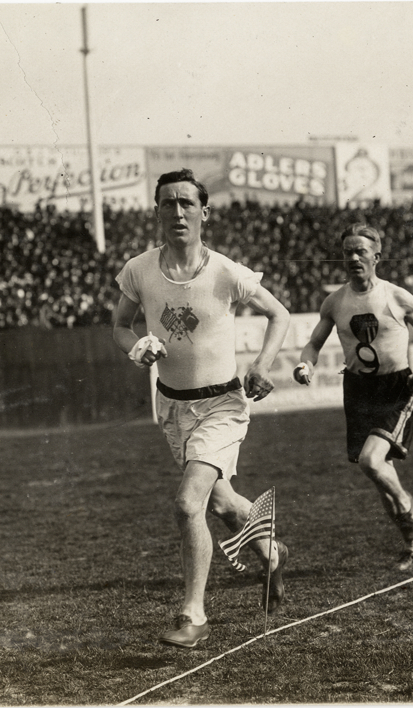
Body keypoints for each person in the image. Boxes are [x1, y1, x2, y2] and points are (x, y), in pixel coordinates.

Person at [113, 168, 291, 648]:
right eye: (167, 203)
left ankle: (193, 615)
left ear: (204, 212)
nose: (177, 211)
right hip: (172, 408)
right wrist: (136, 347)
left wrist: (261, 365)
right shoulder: (139, 270)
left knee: (188, 502)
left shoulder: (226, 272)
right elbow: (120, 326)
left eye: (186, 203)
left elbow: (279, 314)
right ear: (156, 211)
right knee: (220, 503)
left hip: (222, 406)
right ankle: (272, 552)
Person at [294, 223, 413, 570]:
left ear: (377, 256)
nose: (354, 258)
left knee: (372, 462)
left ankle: (407, 503)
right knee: (379, 473)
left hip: (396, 389)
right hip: (358, 391)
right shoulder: (335, 302)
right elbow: (314, 343)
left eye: (361, 251)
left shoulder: (397, 296)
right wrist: (305, 364)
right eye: (348, 252)